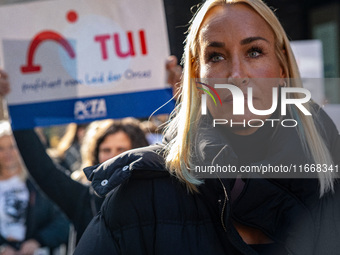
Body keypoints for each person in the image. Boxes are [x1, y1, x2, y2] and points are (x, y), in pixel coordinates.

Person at [74, 0, 340, 254]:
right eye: (215, 57)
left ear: (282, 68)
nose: (236, 75)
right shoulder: (140, 198)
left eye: (254, 52)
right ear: (196, 74)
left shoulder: (330, 183)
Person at [11, 117, 149, 249]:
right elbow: (43, 170)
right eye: (106, 150)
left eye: (121, 150)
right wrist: (16, 108)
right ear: (95, 155)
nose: (113, 157)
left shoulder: (153, 196)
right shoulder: (83, 199)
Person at [0, 121, 69, 255]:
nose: (7, 153)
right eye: (1, 148)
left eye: (12, 146)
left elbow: (63, 220)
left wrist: (38, 241)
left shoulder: (40, 182)